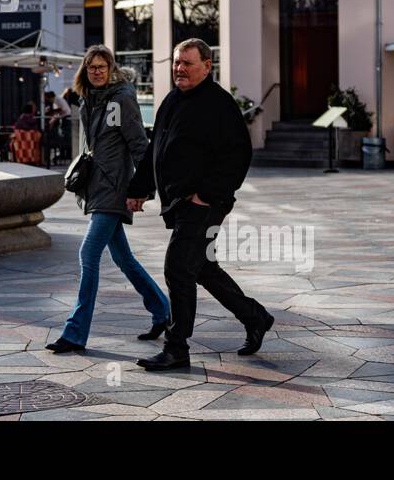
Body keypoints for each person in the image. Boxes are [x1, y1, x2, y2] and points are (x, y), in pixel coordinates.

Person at [130, 39, 274, 371]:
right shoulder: (172, 100)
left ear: (207, 66)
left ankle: (176, 347)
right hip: (181, 202)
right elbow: (156, 148)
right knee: (201, 268)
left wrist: (207, 194)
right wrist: (139, 189)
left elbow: (238, 155)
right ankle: (256, 317)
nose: (179, 69)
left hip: (205, 203)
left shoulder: (219, 104)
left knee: (178, 267)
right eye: (176, 63)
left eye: (187, 64)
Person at [46, 45, 170, 355]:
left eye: (102, 66)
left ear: (111, 68)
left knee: (88, 254)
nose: (97, 71)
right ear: (85, 71)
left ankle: (74, 333)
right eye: (92, 67)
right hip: (97, 187)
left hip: (115, 189)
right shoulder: (90, 100)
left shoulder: (121, 99)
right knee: (123, 259)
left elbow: (140, 146)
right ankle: (163, 311)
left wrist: (144, 190)